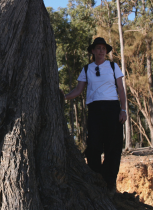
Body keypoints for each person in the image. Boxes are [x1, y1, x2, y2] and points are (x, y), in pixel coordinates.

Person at [64, 37, 127, 193]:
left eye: (103, 48)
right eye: (98, 48)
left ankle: (110, 183)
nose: (101, 51)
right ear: (93, 51)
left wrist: (123, 110)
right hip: (95, 110)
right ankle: (96, 179)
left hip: (112, 108)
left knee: (113, 146)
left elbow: (121, 89)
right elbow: (78, 90)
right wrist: (63, 97)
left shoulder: (113, 67)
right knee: (93, 146)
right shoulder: (86, 69)